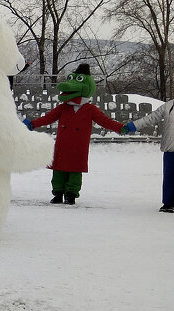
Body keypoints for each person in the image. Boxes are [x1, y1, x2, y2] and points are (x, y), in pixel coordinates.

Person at [23, 64, 125, 205]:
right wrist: (33, 123)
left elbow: (105, 121)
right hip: (63, 144)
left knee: (75, 171)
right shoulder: (63, 107)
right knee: (58, 170)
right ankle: (58, 193)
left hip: (78, 146)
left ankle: (71, 194)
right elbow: (48, 118)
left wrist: (121, 128)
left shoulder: (90, 109)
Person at [121, 101, 174, 212]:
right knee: (170, 176)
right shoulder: (169, 106)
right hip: (171, 147)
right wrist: (133, 126)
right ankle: (169, 203)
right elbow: (151, 118)